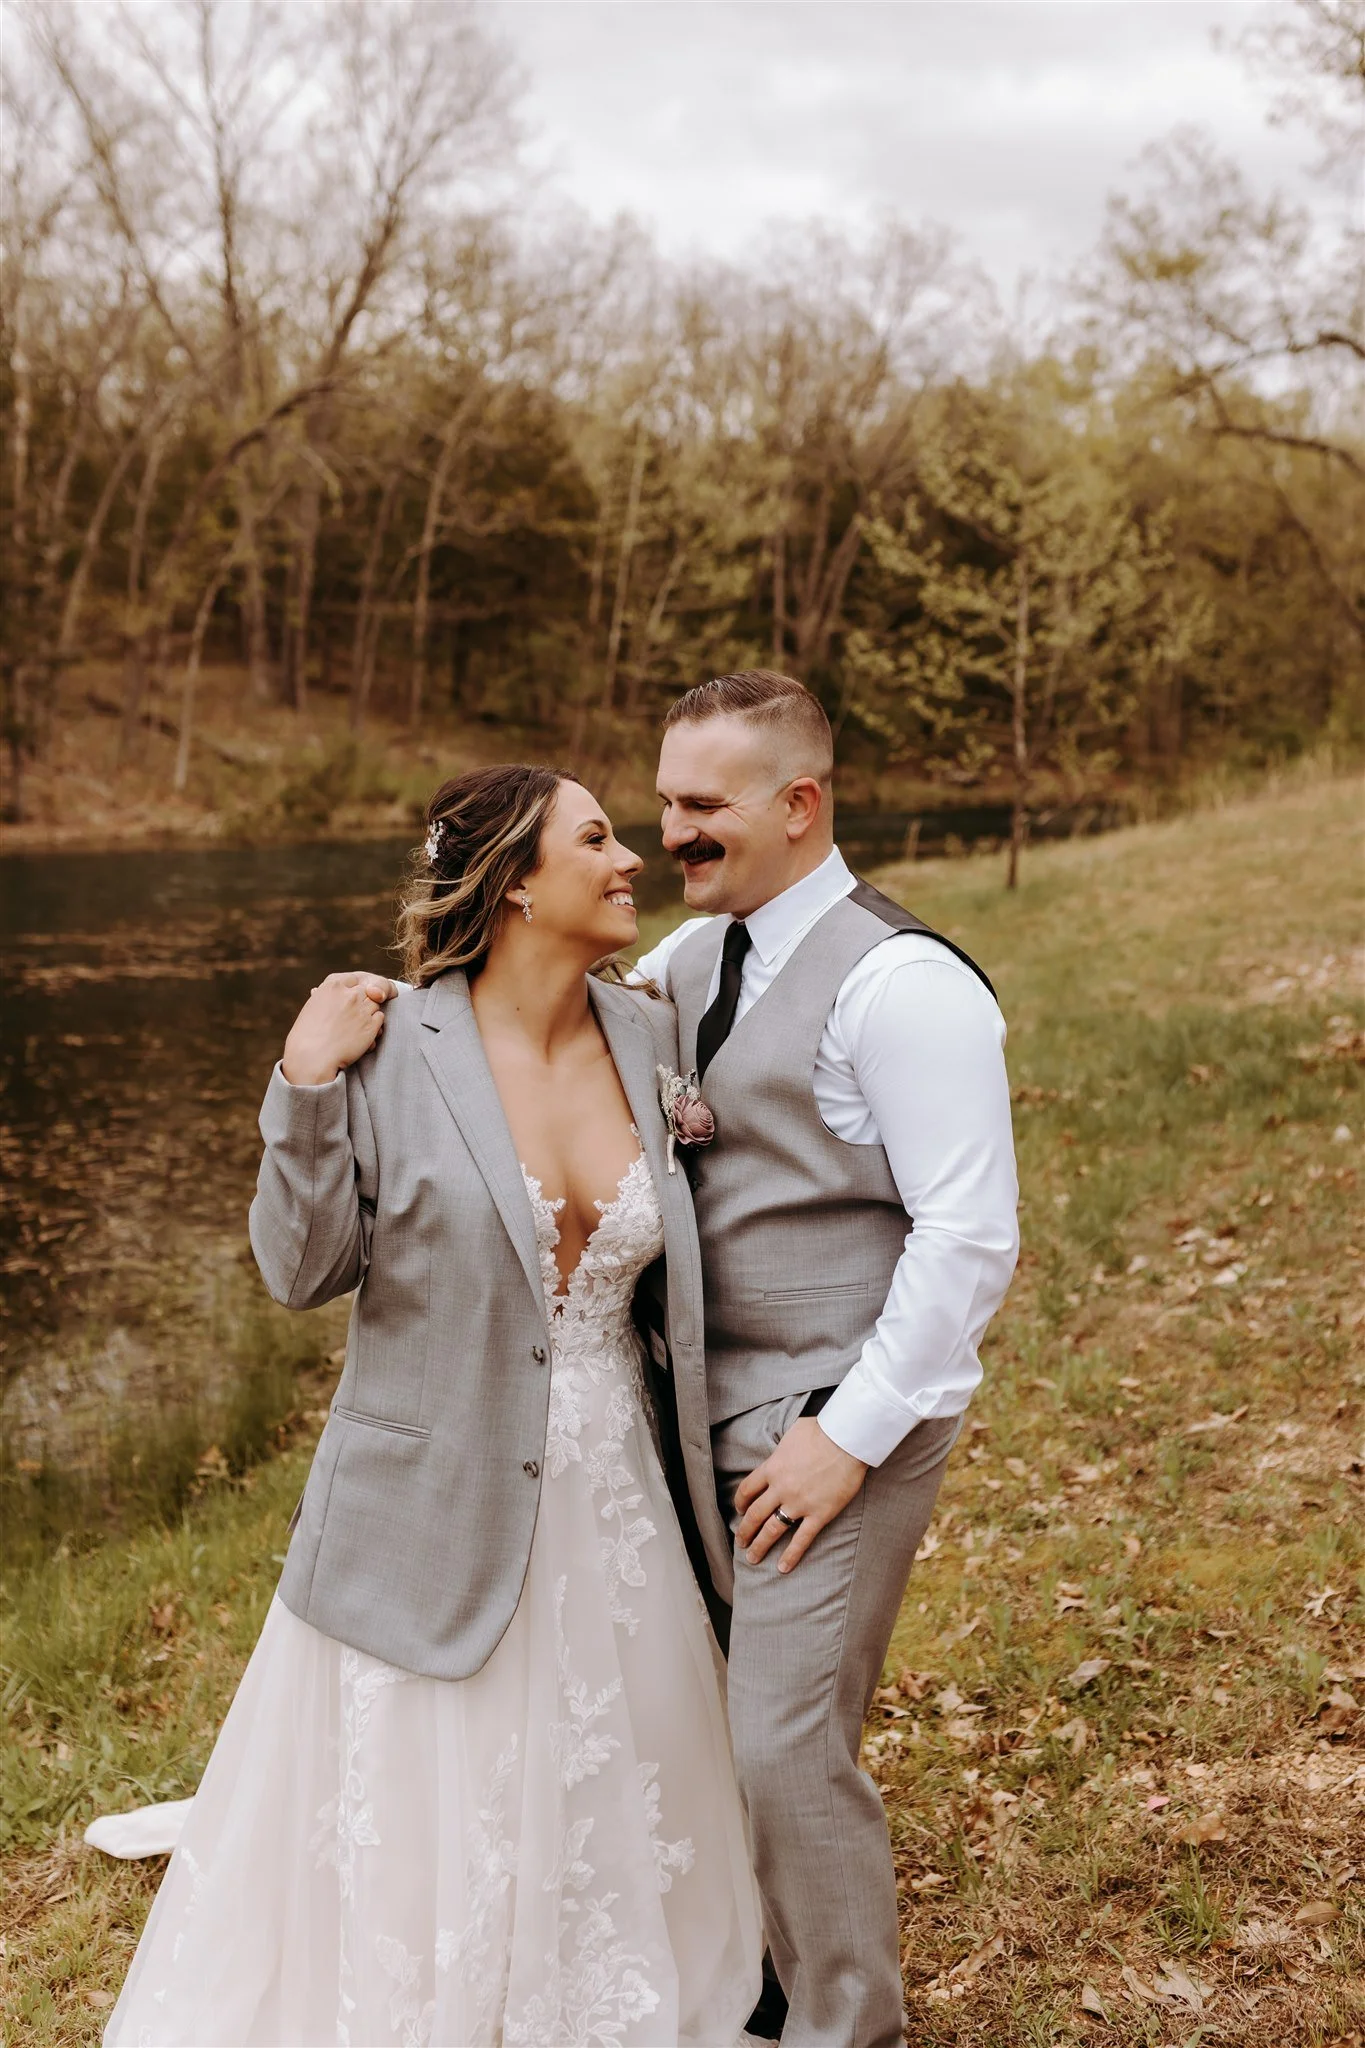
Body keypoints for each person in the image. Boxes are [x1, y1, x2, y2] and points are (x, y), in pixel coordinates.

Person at [94, 764, 762, 2047]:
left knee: (619, 1783)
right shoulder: (392, 1045)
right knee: (426, 1809)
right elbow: (300, 1272)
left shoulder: (652, 1035)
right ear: (518, 879)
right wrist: (298, 1085)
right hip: (422, 1497)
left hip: (613, 1494)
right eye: (600, 838)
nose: (632, 859)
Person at [630, 671, 1019, 2048]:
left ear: (799, 805)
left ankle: (847, 2028)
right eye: (663, 798)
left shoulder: (906, 986)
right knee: (713, 1728)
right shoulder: (684, 964)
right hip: (695, 1415)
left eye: (698, 805)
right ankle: (760, 1982)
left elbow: (970, 1241)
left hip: (836, 1422)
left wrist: (843, 1438)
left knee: (785, 1745)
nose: (666, 830)